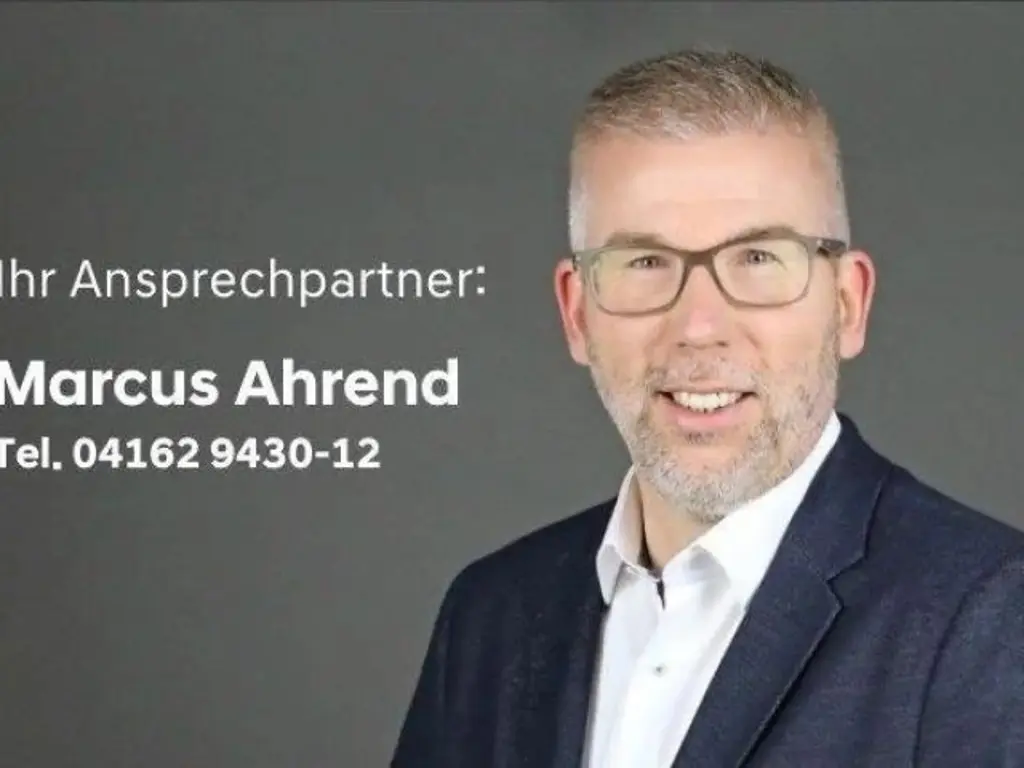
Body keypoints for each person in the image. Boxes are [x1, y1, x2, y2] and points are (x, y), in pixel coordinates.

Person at [391, 48, 1024, 768]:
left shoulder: (994, 619)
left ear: (848, 304)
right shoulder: (490, 617)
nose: (699, 327)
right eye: (644, 262)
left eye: (758, 259)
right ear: (577, 313)